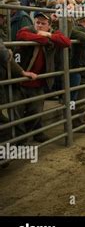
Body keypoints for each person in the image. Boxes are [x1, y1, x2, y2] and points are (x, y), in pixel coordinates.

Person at [14, 12, 71, 142]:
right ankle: (19, 140)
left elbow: (66, 42)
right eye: (37, 22)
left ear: (49, 26)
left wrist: (49, 35)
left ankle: (25, 137)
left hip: (38, 81)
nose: (39, 25)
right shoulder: (27, 29)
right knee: (17, 113)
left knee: (35, 112)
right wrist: (44, 39)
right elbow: (21, 35)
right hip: (20, 79)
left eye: (43, 23)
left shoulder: (53, 33)